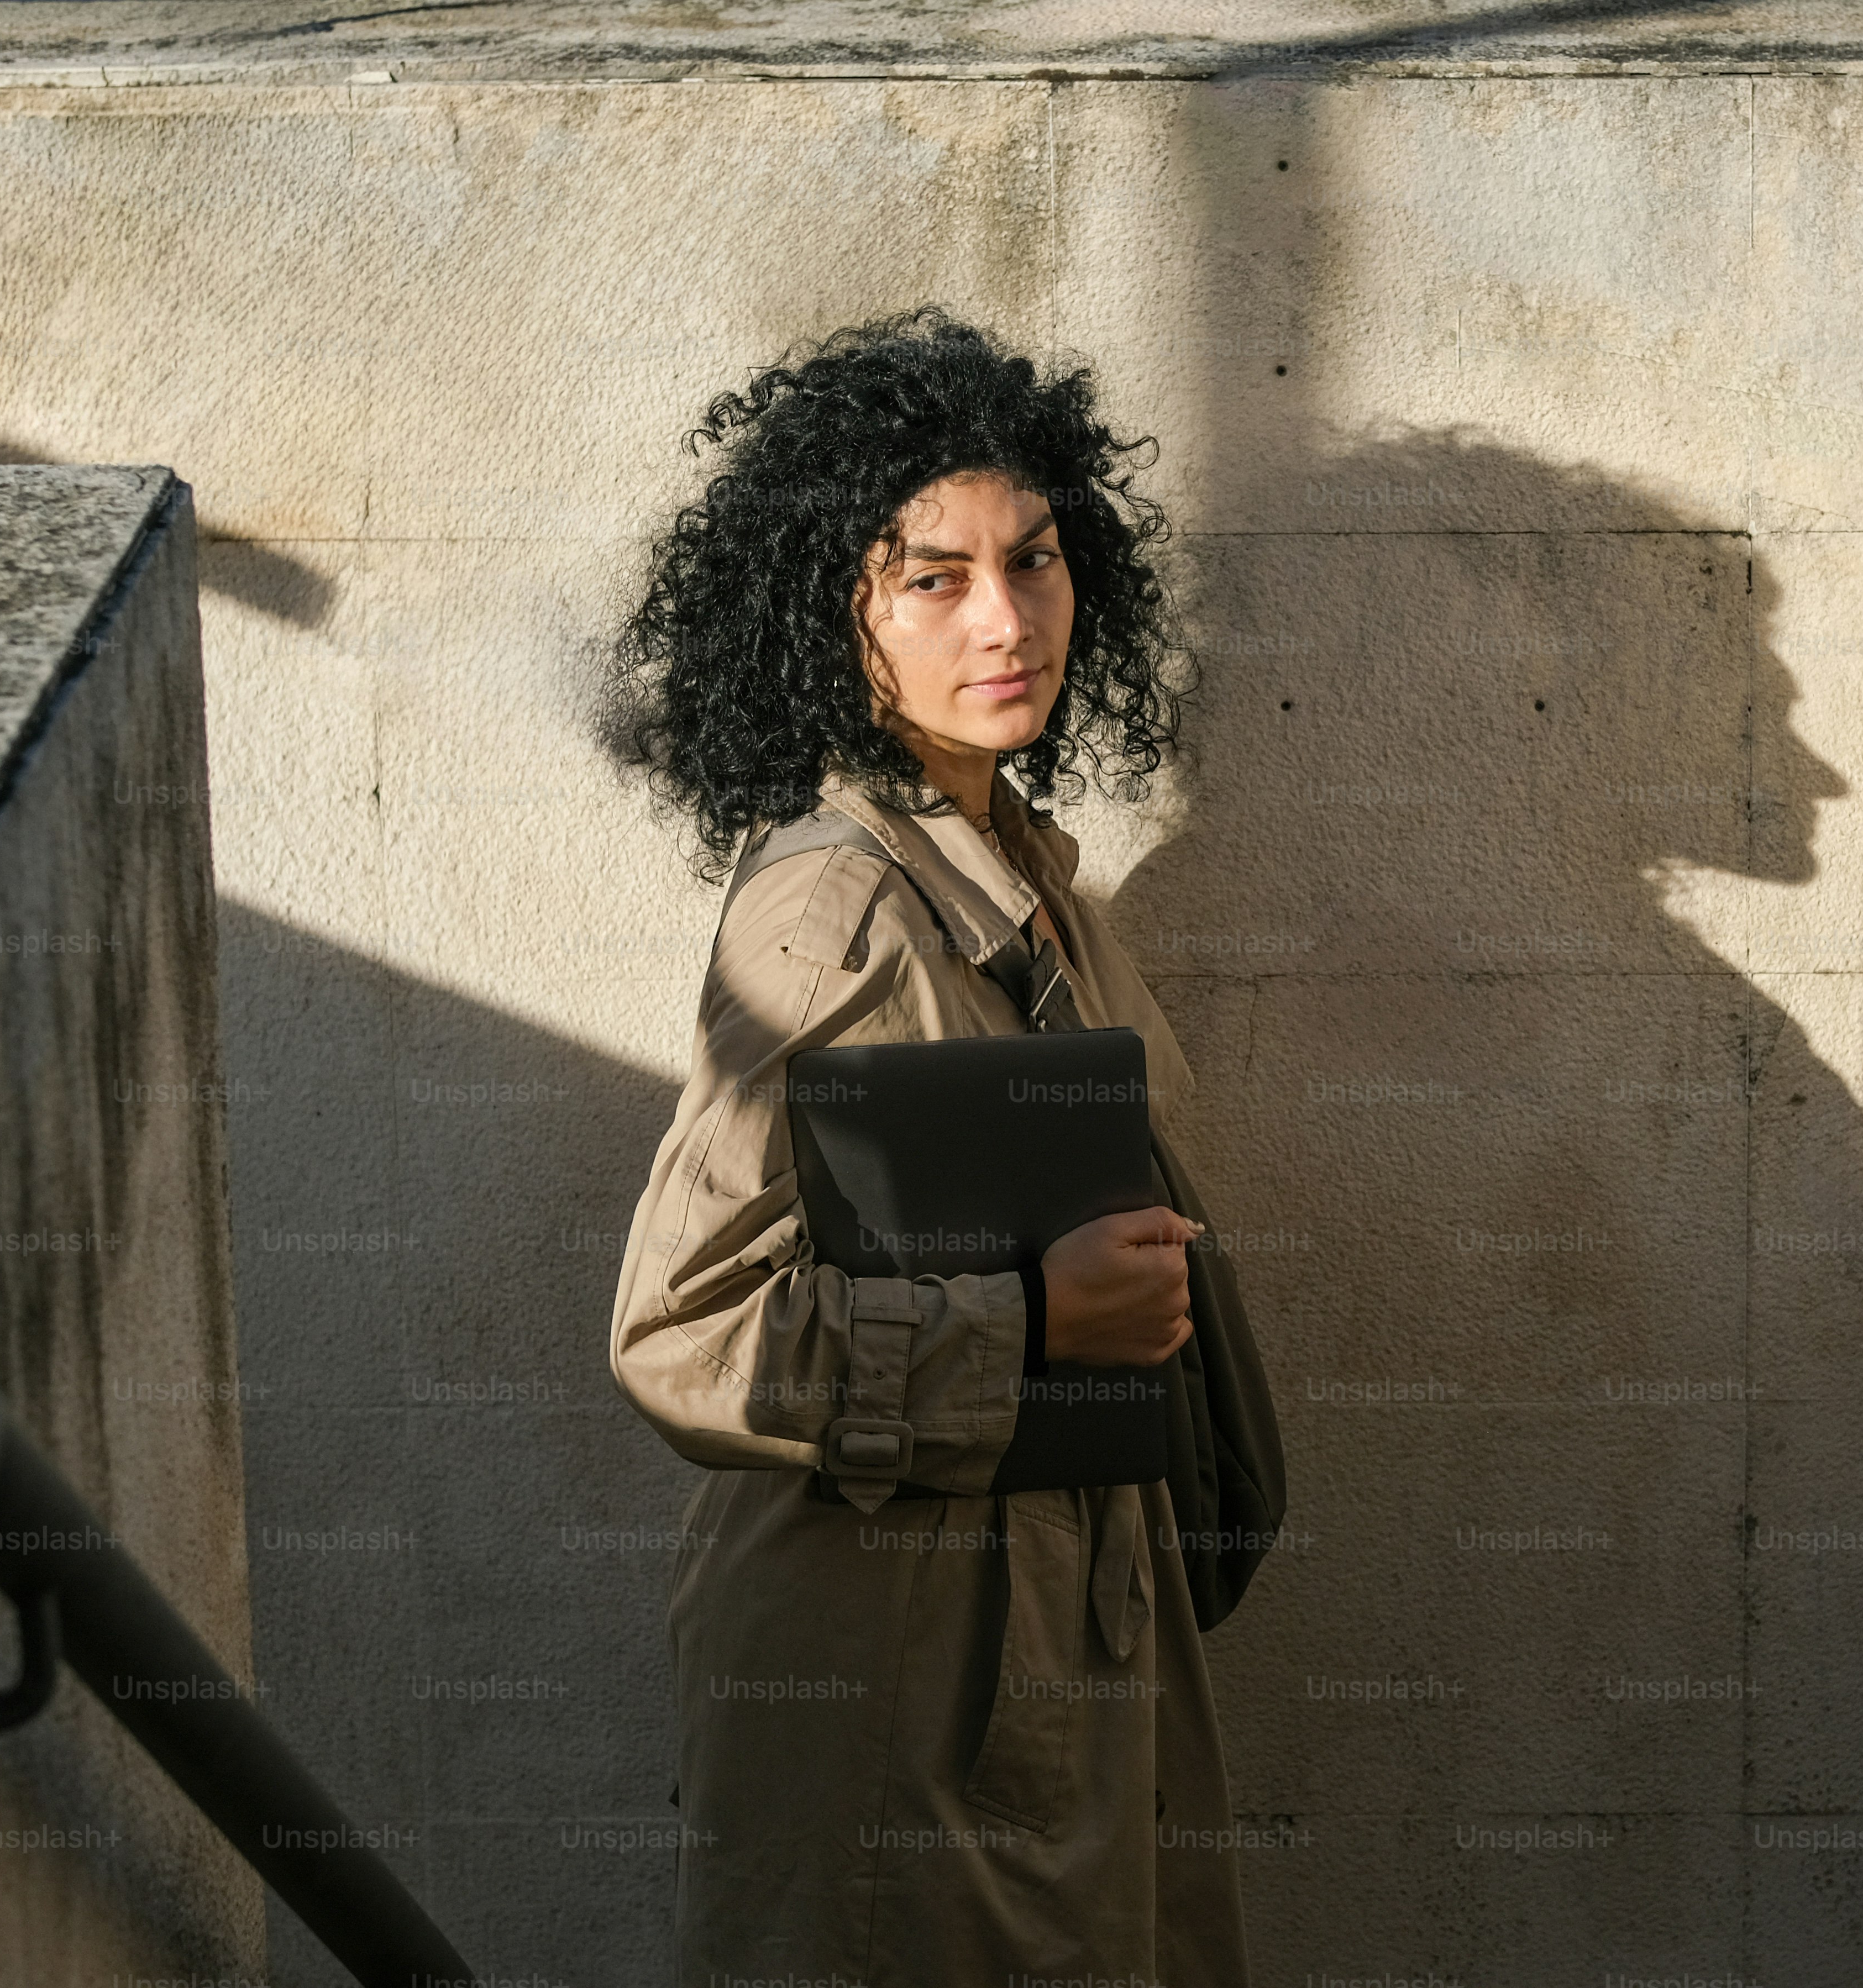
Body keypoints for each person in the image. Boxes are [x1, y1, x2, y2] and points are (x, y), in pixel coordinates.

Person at [598, 307, 1275, 1988]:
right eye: (935, 578)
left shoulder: (1017, 865)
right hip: (907, 1691)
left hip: (1043, 1653)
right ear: (837, 614)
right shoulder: (836, 906)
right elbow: (684, 1337)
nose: (1007, 619)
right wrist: (1033, 1326)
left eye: (1035, 562)